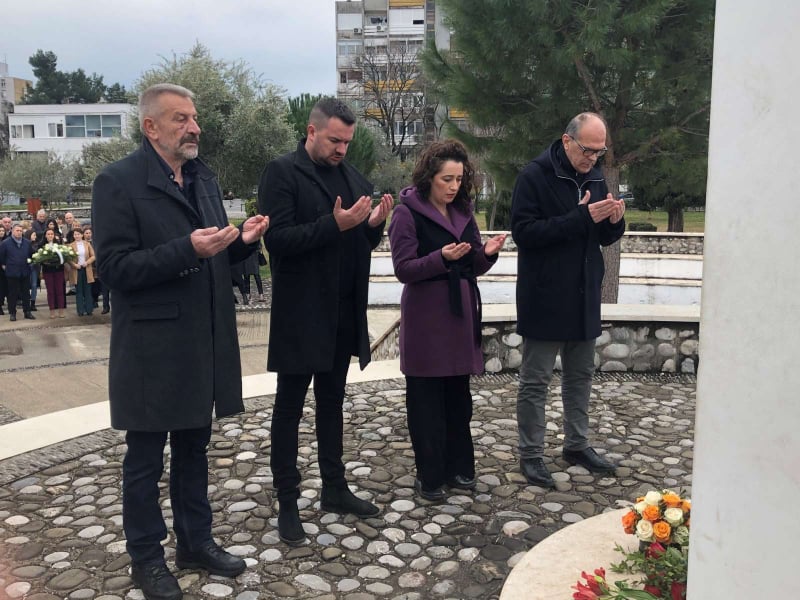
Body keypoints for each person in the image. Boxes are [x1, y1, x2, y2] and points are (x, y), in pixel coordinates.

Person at [92, 83, 268, 600]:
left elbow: (211, 254)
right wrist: (186, 249)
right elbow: (114, 269)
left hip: (201, 340)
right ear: (150, 127)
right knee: (145, 461)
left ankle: (195, 543)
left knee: (194, 448)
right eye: (181, 119)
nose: (194, 128)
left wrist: (241, 243)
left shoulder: (202, 178)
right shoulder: (117, 181)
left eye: (194, 118)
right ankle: (146, 559)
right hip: (150, 350)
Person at [258, 97, 393, 545]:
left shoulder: (352, 177)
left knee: (332, 402)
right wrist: (335, 225)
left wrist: (371, 226)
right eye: (335, 140)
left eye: (347, 142)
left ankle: (334, 487)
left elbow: (357, 244)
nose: (342, 149)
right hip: (301, 314)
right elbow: (278, 241)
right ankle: (288, 500)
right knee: (289, 409)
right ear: (312, 131)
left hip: (342, 312)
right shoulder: (282, 172)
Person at [510, 112, 626, 488]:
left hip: (584, 293)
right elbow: (524, 233)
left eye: (599, 151)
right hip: (545, 296)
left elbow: (601, 236)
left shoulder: (595, 176)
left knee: (580, 376)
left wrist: (614, 221)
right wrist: (581, 217)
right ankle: (531, 454)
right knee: (536, 381)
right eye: (587, 150)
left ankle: (577, 445)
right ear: (566, 141)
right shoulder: (534, 176)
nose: (593, 158)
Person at [388, 140, 507, 501]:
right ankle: (430, 476)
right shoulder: (406, 214)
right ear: (429, 177)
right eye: (447, 179)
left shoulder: (463, 211)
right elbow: (404, 269)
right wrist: (440, 257)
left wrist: (487, 254)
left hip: (459, 317)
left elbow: (471, 264)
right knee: (426, 402)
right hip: (426, 318)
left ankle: (459, 468)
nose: (454, 186)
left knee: (458, 398)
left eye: (459, 178)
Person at [0, 223, 36, 321]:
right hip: (12, 272)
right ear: (12, 231)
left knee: (26, 293)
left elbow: (32, 255)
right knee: (12, 294)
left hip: (25, 271)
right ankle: (12, 313)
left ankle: (27, 312)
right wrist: (4, 266)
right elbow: (2, 257)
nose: (19, 232)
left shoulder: (27, 243)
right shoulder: (5, 243)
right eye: (17, 230)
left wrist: (30, 265)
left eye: (20, 231)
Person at [37, 228, 67, 318]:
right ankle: (52, 310)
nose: (50, 236)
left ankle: (61, 310)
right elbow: (39, 258)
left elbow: (64, 257)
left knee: (60, 290)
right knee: (50, 291)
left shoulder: (58, 245)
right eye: (48, 234)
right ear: (45, 236)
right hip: (47, 271)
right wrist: (45, 261)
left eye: (52, 234)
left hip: (59, 270)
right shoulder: (41, 246)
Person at [68, 228, 95, 316]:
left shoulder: (87, 244)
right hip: (77, 269)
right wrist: (74, 265)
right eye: (75, 234)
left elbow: (93, 256)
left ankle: (89, 309)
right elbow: (68, 258)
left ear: (82, 235)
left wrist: (87, 262)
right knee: (79, 291)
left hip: (86, 269)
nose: (77, 236)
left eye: (78, 234)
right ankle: (80, 310)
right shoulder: (71, 245)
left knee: (88, 290)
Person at [83, 226, 110, 313]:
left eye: (89, 233)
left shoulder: (97, 243)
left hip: (100, 267)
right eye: (86, 233)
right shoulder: (83, 244)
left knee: (104, 288)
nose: (88, 235)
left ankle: (106, 306)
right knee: (93, 288)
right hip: (90, 268)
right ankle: (94, 302)